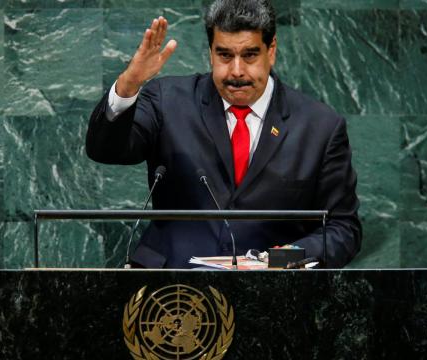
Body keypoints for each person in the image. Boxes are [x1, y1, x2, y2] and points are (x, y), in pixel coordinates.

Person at [86, 0, 361, 269]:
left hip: (271, 295)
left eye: (250, 55)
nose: (237, 71)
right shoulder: (166, 100)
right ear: (210, 52)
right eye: (225, 55)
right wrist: (129, 83)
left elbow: (343, 229)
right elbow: (105, 150)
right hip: (172, 289)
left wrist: (283, 259)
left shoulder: (320, 126)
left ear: (271, 49)